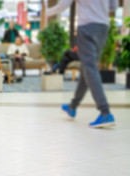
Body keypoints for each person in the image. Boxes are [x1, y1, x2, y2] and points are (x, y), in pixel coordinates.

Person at [47, 0, 118, 128]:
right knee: (86, 67)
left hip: (86, 27)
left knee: (90, 68)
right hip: (103, 27)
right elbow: (113, 6)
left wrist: (47, 12)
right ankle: (72, 107)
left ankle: (105, 112)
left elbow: (64, 4)